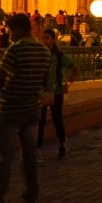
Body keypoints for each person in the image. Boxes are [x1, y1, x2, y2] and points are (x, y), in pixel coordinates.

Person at [0, 12, 52, 203]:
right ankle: (31, 199)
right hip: (32, 109)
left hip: (10, 109)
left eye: (10, 30)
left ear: (18, 29)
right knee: (29, 157)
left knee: (5, 157)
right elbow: (45, 80)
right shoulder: (44, 51)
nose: (8, 35)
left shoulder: (15, 49)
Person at [38, 28, 79, 158]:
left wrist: (67, 84)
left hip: (56, 92)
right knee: (40, 120)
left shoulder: (60, 56)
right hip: (42, 92)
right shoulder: (39, 55)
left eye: (47, 38)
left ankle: (62, 143)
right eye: (43, 38)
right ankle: (37, 148)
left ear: (53, 39)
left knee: (57, 119)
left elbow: (75, 69)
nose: (44, 41)